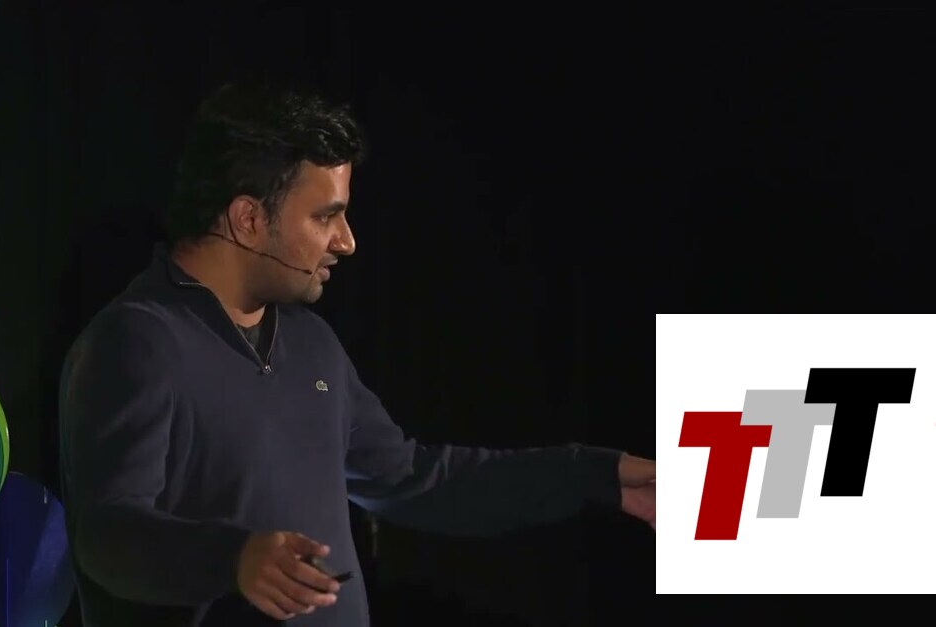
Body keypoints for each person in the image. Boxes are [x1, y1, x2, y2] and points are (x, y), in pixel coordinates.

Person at [57, 79, 656, 627]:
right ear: (248, 218)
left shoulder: (312, 344)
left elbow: (417, 480)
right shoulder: (135, 342)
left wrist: (597, 475)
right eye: (327, 217)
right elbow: (107, 536)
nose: (346, 242)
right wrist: (235, 558)